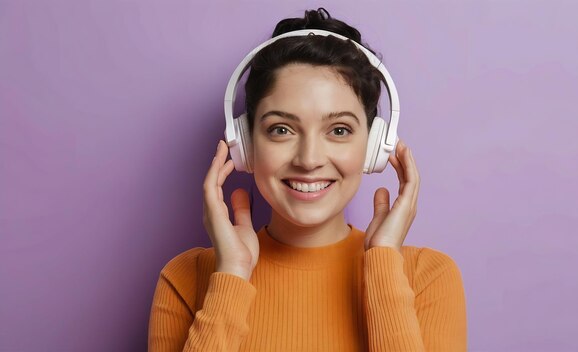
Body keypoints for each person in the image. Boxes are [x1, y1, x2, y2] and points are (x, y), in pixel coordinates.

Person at [148, 8, 467, 351]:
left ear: (375, 145)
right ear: (246, 145)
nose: (309, 159)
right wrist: (232, 276)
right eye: (281, 129)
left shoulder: (426, 275)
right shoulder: (187, 276)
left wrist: (385, 264)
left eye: (339, 130)